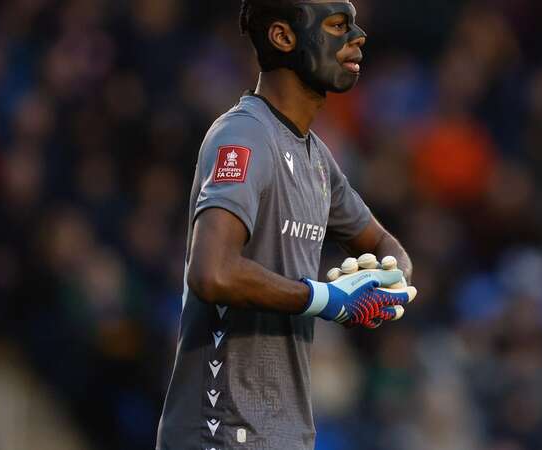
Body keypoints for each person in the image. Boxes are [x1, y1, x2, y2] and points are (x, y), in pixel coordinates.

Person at [156, 1, 417, 449]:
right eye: (337, 25)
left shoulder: (318, 160)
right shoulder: (243, 136)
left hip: (283, 435)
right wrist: (328, 298)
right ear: (283, 37)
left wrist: (384, 286)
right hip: (219, 432)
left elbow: (388, 248)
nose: (358, 36)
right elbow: (212, 272)